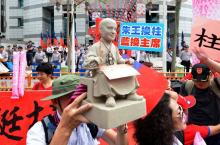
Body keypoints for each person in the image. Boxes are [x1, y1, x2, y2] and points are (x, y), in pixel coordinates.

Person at [27, 75, 128, 145]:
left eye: (84, 95)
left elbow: (117, 142)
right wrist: (66, 127)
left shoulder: (92, 122)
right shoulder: (40, 131)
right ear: (55, 102)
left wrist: (121, 125)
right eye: (72, 96)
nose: (80, 101)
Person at [84, 18, 142, 107]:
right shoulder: (95, 47)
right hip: (101, 72)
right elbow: (88, 62)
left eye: (115, 29)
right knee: (103, 75)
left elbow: (119, 60)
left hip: (114, 71)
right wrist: (97, 59)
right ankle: (109, 96)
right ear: (101, 30)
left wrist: (126, 61)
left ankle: (131, 93)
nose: (113, 32)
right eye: (110, 28)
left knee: (129, 70)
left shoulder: (114, 47)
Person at [180, 48, 220, 145]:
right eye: (196, 80)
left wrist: (207, 61)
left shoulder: (217, 84)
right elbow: (183, 108)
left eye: (203, 80)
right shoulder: (187, 86)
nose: (199, 83)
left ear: (210, 76)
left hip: (216, 132)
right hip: (195, 132)